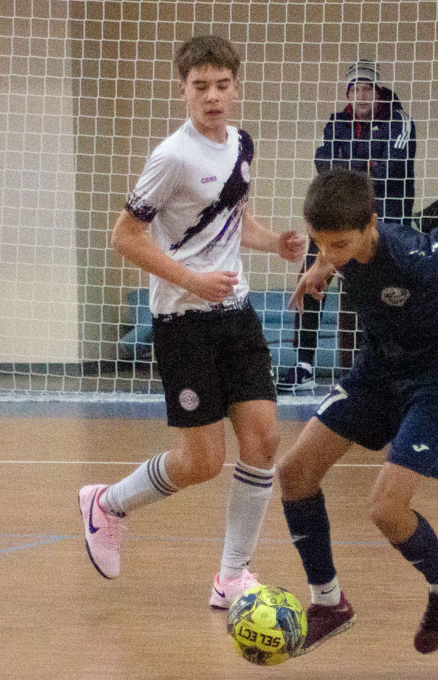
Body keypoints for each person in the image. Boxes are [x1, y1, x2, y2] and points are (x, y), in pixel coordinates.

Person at [276, 168, 438, 656]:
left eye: (339, 245)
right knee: (294, 473)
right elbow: (330, 249)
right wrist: (321, 265)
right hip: (379, 369)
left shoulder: (407, 253)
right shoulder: (339, 246)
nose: (331, 252)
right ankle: (328, 604)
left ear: (371, 225)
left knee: (385, 509)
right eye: (321, 243)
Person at [77, 35, 305, 609]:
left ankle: (232, 576)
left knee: (264, 440)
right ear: (182, 90)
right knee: (201, 462)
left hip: (238, 314)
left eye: (222, 85)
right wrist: (191, 279)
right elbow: (125, 237)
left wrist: (273, 243)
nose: (212, 96)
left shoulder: (242, 145)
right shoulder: (171, 157)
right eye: (200, 86)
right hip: (183, 321)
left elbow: (234, 220)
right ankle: (108, 503)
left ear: (237, 88)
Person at [278, 60, 417, 391]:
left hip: (382, 220)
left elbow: (390, 170)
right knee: (312, 278)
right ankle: (304, 364)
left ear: (378, 92)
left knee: (382, 290)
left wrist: (348, 170)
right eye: (356, 89)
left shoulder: (399, 121)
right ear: (348, 94)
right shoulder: (337, 123)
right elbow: (323, 164)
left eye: (368, 89)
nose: (362, 95)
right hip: (337, 216)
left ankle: (389, 367)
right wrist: (365, 166)